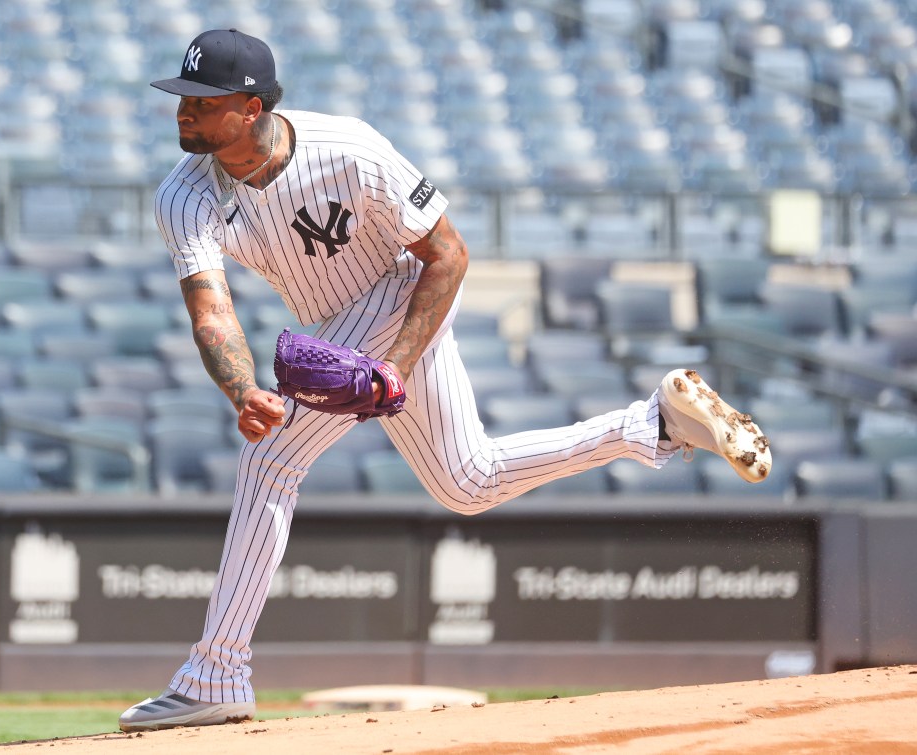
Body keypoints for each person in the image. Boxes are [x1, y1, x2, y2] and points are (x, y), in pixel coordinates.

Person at [119, 28, 772, 732]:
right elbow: (211, 311)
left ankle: (218, 672)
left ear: (249, 107)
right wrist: (241, 389)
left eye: (200, 101)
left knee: (270, 457)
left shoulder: (350, 148)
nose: (182, 112)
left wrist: (393, 366)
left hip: (407, 293)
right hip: (342, 323)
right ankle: (654, 424)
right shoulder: (184, 195)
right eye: (181, 99)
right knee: (469, 482)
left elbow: (449, 254)